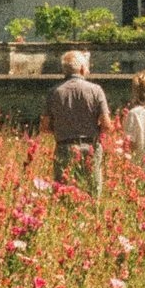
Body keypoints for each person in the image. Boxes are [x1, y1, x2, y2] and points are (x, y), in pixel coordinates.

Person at [40, 50, 112, 196]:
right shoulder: (96, 90)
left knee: (63, 194)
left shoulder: (54, 92)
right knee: (92, 193)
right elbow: (107, 125)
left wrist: (62, 128)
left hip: (64, 147)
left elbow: (44, 126)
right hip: (90, 146)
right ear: (82, 69)